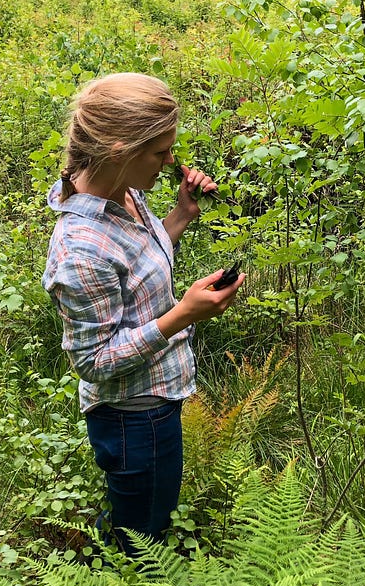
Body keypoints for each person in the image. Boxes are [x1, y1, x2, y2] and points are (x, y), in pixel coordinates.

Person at [41, 72, 245, 552]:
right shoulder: (81, 250)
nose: (171, 161)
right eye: (159, 153)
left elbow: (137, 265)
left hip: (156, 399)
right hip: (134, 416)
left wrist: (180, 215)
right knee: (144, 539)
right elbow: (94, 362)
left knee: (139, 512)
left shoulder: (124, 193)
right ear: (120, 150)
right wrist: (183, 315)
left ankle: (111, 555)